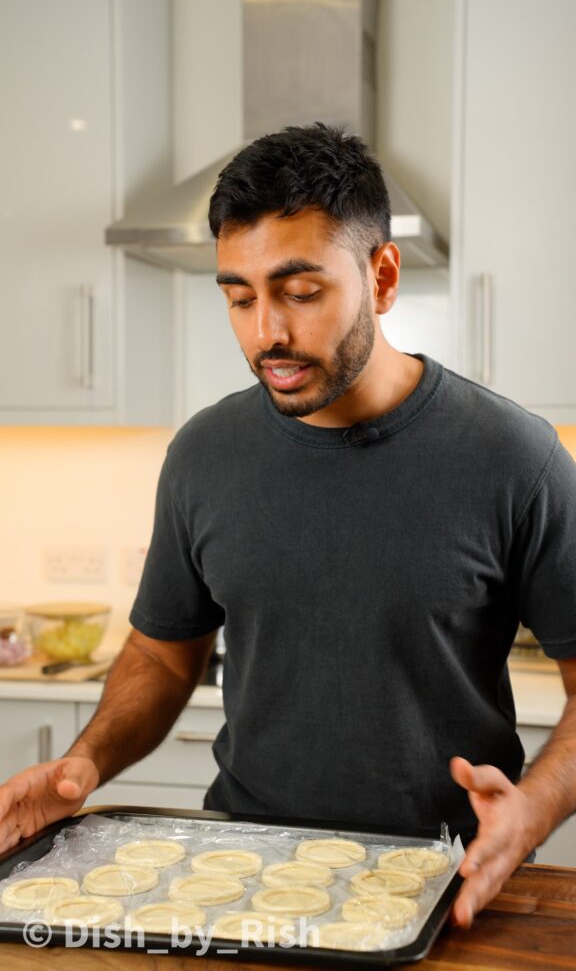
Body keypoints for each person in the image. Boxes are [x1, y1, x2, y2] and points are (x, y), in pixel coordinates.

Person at [1, 124, 575, 931]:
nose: (265, 332)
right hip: (239, 872)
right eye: (239, 297)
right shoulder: (204, 454)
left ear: (381, 276)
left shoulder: (516, 458)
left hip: (447, 881)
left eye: (299, 292)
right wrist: (82, 762)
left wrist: (534, 812)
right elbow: (163, 656)